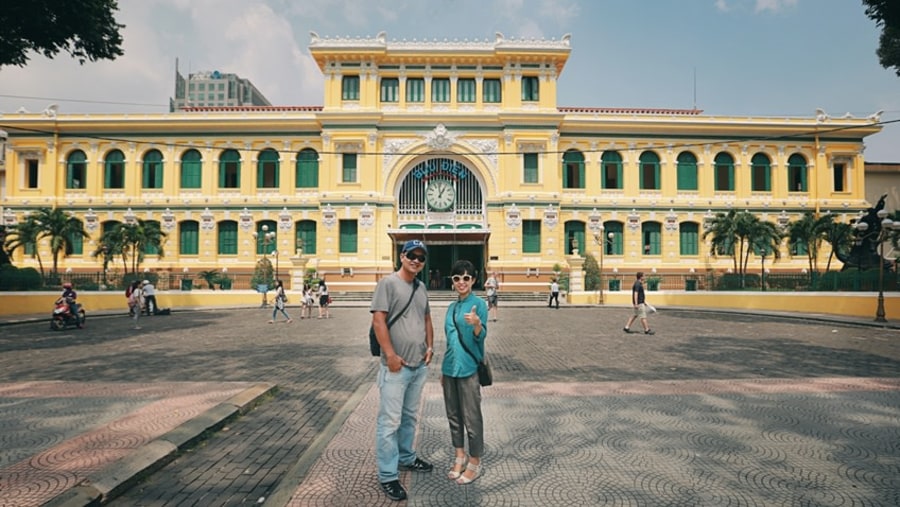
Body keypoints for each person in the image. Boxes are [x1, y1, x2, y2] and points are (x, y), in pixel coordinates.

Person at [370, 239, 434, 501]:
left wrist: (430, 346)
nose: (416, 260)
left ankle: (406, 457)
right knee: (389, 422)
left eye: (421, 257)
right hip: (396, 368)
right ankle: (388, 474)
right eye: (412, 255)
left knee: (409, 417)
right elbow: (378, 320)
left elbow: (427, 318)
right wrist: (390, 355)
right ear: (402, 256)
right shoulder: (388, 283)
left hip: (418, 366)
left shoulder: (420, 287)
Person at [441, 259, 488, 485]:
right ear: (452, 282)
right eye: (457, 278)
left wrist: (477, 324)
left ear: (474, 280)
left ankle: (475, 460)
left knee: (472, 417)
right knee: (453, 415)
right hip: (449, 369)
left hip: (469, 369)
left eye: (466, 278)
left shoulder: (478, 305)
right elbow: (450, 341)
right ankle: (459, 454)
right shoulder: (451, 308)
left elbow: (481, 336)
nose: (462, 282)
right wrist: (443, 370)